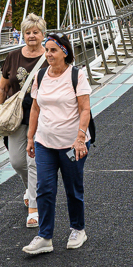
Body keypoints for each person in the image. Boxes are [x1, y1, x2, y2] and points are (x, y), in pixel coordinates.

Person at [24, 32, 92, 254]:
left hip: (72, 145)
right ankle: (45, 236)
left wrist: (80, 138)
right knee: (44, 188)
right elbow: (35, 108)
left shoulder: (77, 75)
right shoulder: (40, 75)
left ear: (64, 52)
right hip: (44, 143)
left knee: (73, 188)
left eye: (53, 50)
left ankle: (78, 229)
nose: (48, 54)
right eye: (47, 50)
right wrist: (30, 137)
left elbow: (85, 109)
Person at [0, 14, 48, 228]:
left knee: (33, 161)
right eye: (28, 32)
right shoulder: (13, 57)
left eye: (36, 32)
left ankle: (34, 208)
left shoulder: (50, 55)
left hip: (42, 115)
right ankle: (31, 188)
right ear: (23, 35)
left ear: (43, 34)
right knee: (17, 161)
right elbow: (3, 87)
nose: (31, 36)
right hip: (16, 116)